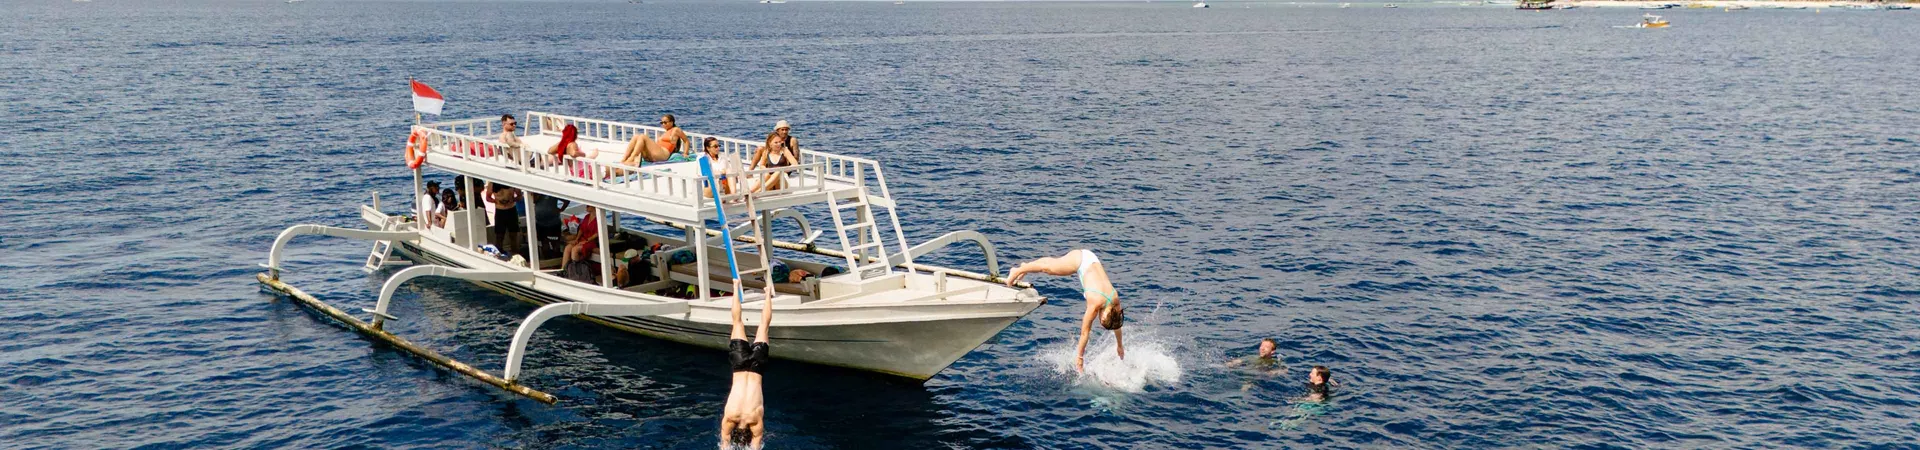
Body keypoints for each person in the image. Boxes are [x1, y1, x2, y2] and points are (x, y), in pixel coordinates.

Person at [1005, 249, 1124, 373]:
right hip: (1080, 261)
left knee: (1051, 266)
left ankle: (1026, 267)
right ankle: (1016, 271)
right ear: (1106, 315)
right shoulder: (1095, 303)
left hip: (1091, 258)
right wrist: (1079, 357)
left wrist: (1119, 346)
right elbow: (1085, 333)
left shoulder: (1114, 299)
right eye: (1101, 319)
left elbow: (1116, 324)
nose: (1099, 318)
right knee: (1048, 268)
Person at [720, 283, 775, 449]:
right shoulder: (730, 418)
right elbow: (725, 443)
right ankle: (736, 286)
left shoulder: (755, 421)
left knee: (764, 325)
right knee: (737, 322)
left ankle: (767, 293)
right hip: (739, 365)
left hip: (757, 367)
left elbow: (756, 445)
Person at [619, 114, 690, 166]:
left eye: (665, 122)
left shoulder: (675, 130)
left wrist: (685, 153)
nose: (663, 124)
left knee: (643, 137)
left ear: (671, 122)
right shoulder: (666, 133)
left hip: (664, 154)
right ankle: (625, 159)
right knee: (636, 136)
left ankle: (631, 158)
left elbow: (686, 141)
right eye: (662, 123)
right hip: (655, 154)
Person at [749, 121, 799, 192]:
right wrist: (766, 170)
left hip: (782, 175)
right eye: (776, 142)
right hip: (771, 175)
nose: (784, 132)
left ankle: (758, 192)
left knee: (778, 172)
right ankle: (750, 192)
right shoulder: (767, 151)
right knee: (766, 175)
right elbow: (762, 165)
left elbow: (796, 162)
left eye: (786, 129)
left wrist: (784, 168)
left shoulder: (786, 148)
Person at [561, 206, 600, 270]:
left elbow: (596, 234)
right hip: (582, 239)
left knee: (575, 250)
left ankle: (575, 271)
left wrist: (587, 240)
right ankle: (563, 269)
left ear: (594, 207)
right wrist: (577, 239)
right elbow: (581, 229)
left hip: (591, 242)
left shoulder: (598, 219)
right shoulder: (587, 217)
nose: (586, 207)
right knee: (568, 248)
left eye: (588, 206)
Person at [490, 183, 522, 258]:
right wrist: (496, 201)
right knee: (499, 236)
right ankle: (498, 255)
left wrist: (512, 199)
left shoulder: (511, 181)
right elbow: (488, 197)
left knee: (513, 235)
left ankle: (516, 255)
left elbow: (520, 196)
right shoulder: (492, 183)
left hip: (511, 210)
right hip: (499, 211)